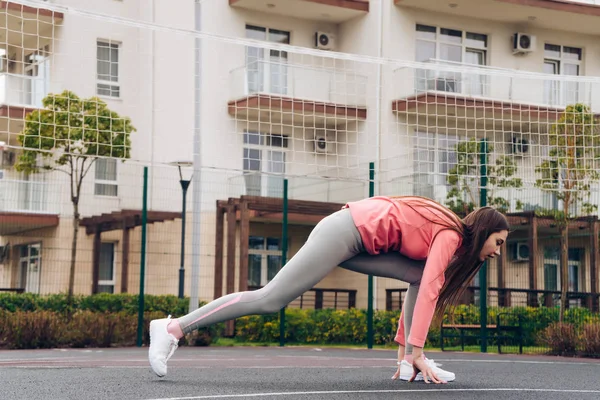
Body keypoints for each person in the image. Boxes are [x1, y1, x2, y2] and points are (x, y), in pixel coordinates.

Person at [148, 195, 510, 384]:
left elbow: (424, 283)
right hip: (344, 233)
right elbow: (431, 290)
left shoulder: (451, 238)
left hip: (360, 242)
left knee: (418, 276)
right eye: (499, 241)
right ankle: (172, 328)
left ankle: (403, 363)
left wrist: (410, 354)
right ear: (484, 232)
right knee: (271, 299)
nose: (498, 250)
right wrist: (419, 350)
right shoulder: (451, 235)